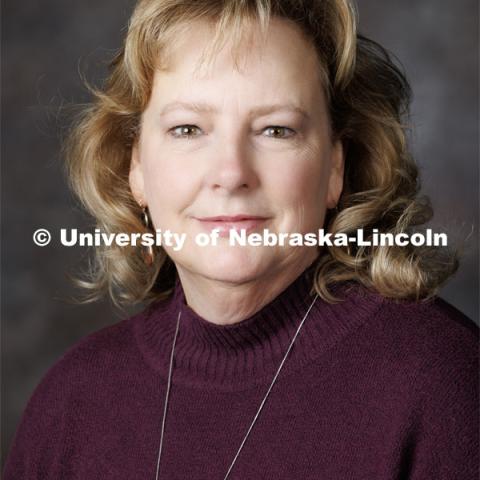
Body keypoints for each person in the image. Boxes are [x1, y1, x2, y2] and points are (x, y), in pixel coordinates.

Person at [4, 0, 478, 478]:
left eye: (276, 129)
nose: (231, 174)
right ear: (136, 167)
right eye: (187, 129)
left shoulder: (442, 381)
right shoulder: (72, 402)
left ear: (335, 167)